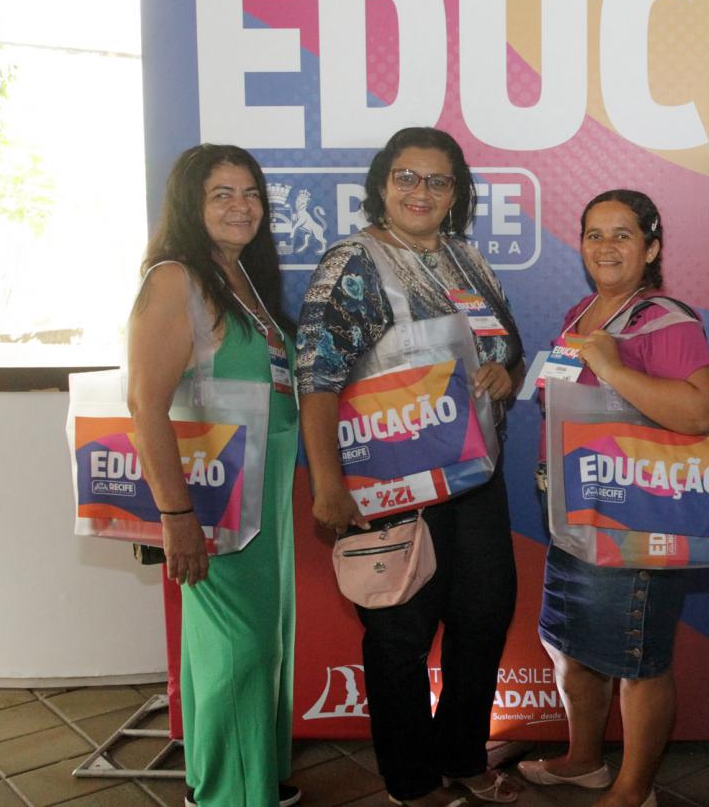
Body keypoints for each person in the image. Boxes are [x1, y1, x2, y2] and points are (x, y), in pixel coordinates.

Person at [297, 127, 524, 807]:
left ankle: (461, 755)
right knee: (400, 631)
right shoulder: (353, 263)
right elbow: (317, 381)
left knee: (484, 615)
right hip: (393, 484)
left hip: (473, 479)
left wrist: (506, 375)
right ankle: (411, 780)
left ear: (456, 194)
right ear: (382, 185)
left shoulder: (467, 261)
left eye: (438, 180)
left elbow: (507, 352)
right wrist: (328, 486)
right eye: (406, 177)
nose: (421, 191)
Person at [518, 190, 709, 807]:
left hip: (634, 517)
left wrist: (614, 370)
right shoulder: (582, 312)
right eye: (594, 234)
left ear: (651, 248)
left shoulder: (666, 319)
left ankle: (635, 790)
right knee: (572, 644)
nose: (605, 247)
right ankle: (584, 761)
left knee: (637, 657)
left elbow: (701, 412)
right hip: (574, 510)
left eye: (622, 235)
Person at [126, 144, 301, 807]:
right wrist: (177, 518)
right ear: (189, 205)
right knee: (238, 648)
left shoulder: (241, 276)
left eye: (251, 193)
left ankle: (239, 780)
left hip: (264, 496)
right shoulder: (176, 279)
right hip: (214, 499)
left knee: (254, 644)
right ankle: (232, 795)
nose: (241, 206)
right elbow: (145, 403)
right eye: (221, 194)